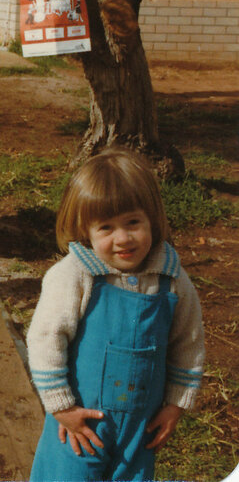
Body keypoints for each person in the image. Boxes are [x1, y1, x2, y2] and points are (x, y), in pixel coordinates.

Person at [27, 149, 204, 481]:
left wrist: (175, 404)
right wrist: (62, 407)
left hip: (140, 428)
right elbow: (45, 339)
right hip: (80, 425)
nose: (122, 238)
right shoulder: (76, 275)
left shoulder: (171, 278)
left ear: (152, 217)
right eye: (106, 227)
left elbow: (188, 342)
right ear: (85, 230)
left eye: (133, 222)